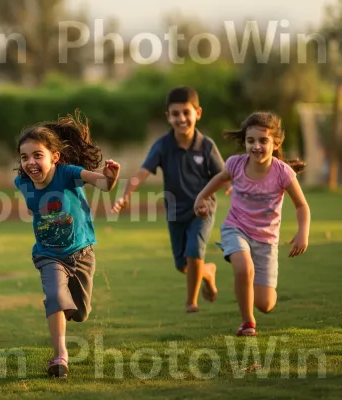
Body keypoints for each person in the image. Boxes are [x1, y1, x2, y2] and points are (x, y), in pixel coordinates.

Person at [14, 110, 120, 377]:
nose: (30, 162)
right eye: (24, 157)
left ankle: (68, 306)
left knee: (81, 313)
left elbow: (104, 186)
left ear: (55, 157)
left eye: (38, 155)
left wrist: (110, 176)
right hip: (48, 254)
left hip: (81, 251)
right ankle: (60, 356)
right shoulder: (22, 183)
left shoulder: (69, 173)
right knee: (54, 297)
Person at [194, 111, 310, 336]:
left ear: (276, 142)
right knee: (243, 267)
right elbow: (220, 178)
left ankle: (255, 305)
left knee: (265, 303)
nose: (256, 146)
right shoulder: (236, 164)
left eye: (263, 140)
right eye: (251, 140)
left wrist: (302, 232)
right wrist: (201, 197)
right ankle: (247, 323)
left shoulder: (283, 172)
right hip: (236, 228)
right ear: (245, 142)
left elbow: (301, 206)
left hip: (266, 240)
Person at [112, 87, 226, 313]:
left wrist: (224, 190)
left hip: (202, 209)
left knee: (194, 251)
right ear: (168, 116)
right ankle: (208, 271)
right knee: (183, 265)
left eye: (186, 112)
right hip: (175, 210)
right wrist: (125, 195)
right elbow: (142, 172)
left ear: (198, 113)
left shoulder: (207, 146)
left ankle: (191, 302)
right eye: (175, 114)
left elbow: (223, 176)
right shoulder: (163, 145)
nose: (181, 119)